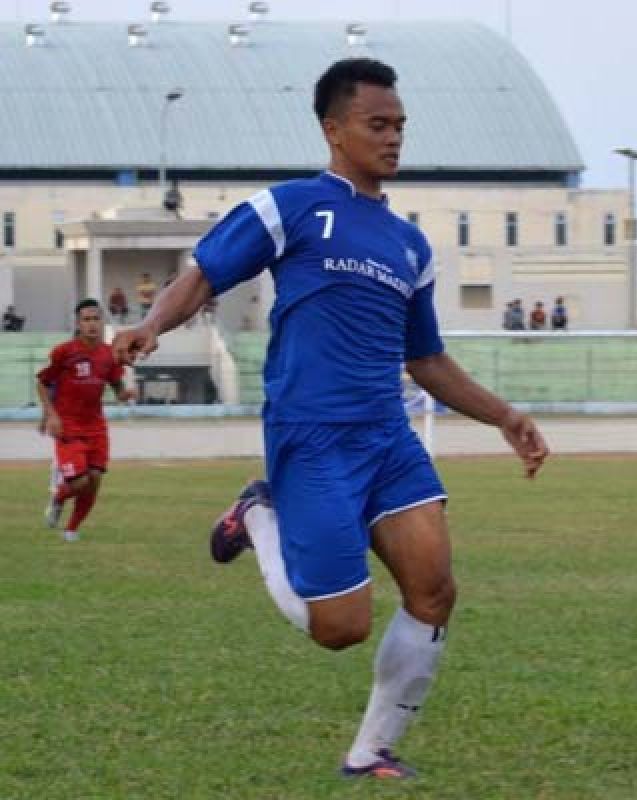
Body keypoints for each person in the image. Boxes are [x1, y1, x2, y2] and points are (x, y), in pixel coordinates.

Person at [112, 58, 548, 781]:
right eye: (378, 124)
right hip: (311, 437)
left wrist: (504, 417)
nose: (394, 137)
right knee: (340, 629)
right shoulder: (290, 206)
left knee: (434, 590)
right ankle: (258, 516)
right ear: (333, 129)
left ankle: (370, 751)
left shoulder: (409, 245)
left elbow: (426, 358)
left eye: (400, 125)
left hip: (387, 437)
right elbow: (204, 274)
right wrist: (153, 324)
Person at [36, 298, 136, 542]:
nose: (92, 324)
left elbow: (117, 386)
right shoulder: (63, 352)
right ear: (78, 324)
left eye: (96, 319)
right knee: (79, 482)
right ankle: (58, 498)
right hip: (68, 426)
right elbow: (42, 382)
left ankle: (71, 529)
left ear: (102, 322)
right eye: (86, 320)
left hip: (96, 427)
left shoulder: (108, 355)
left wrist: (126, 394)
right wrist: (50, 415)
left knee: (94, 481)